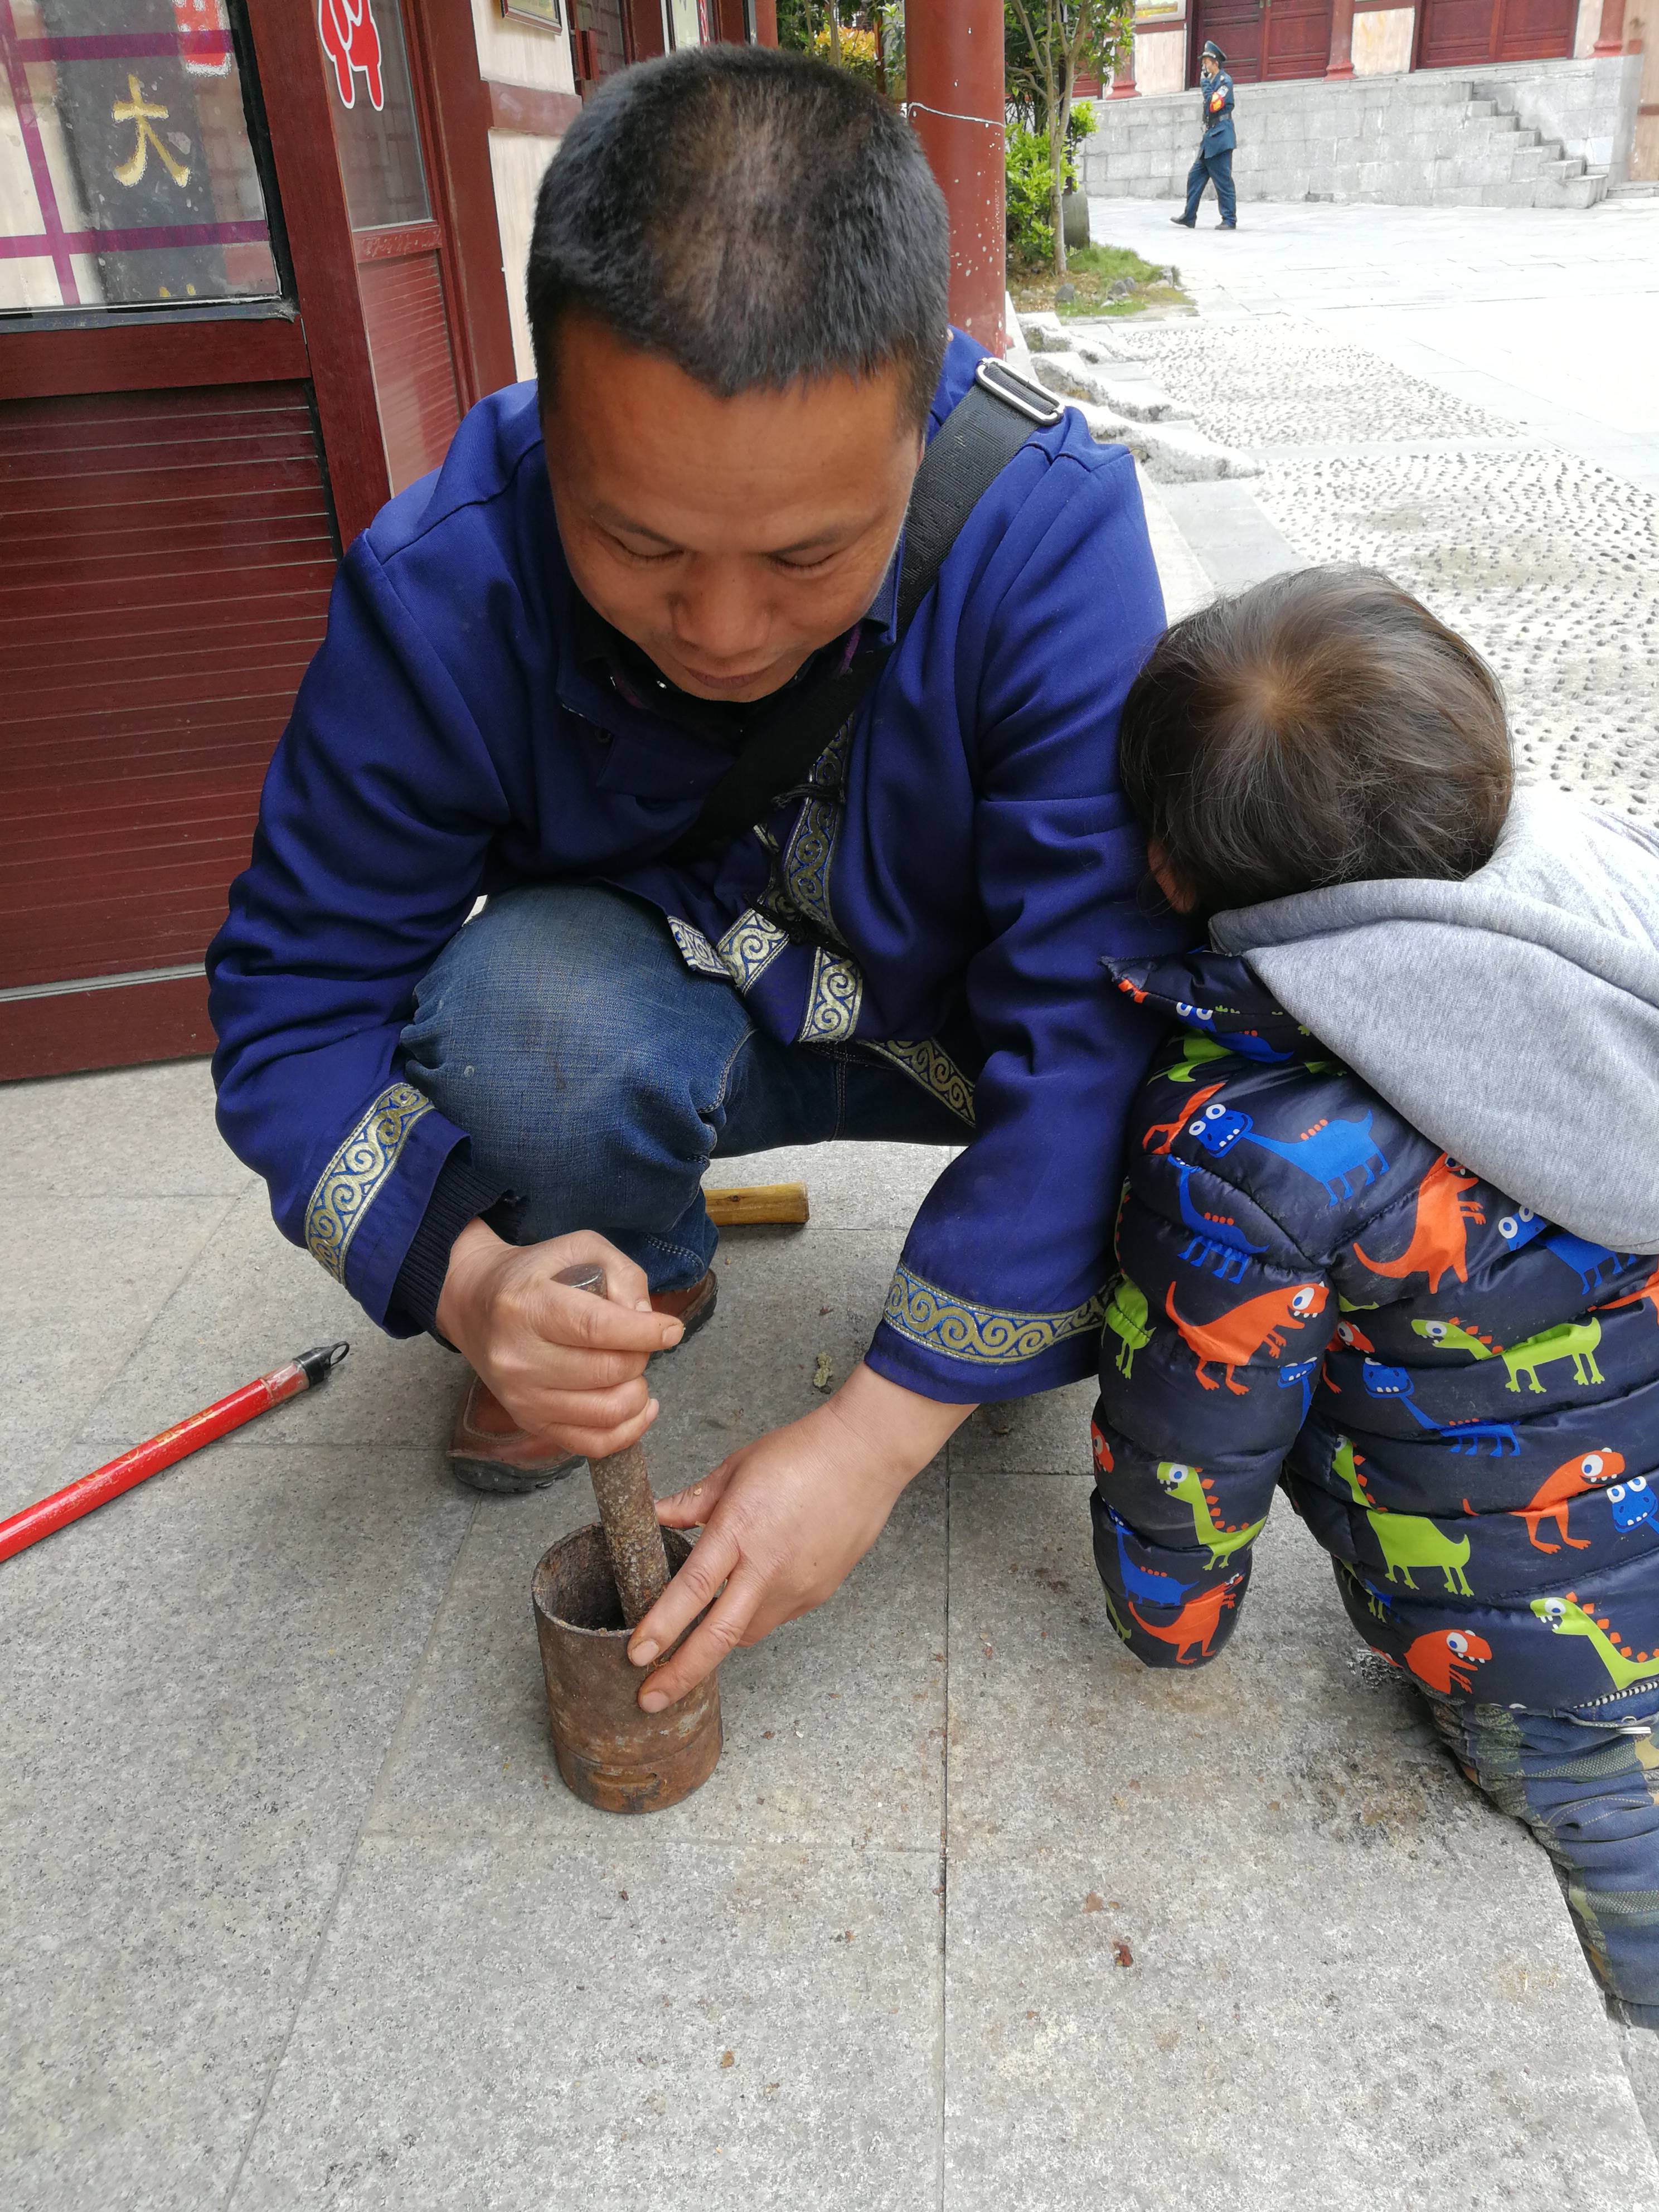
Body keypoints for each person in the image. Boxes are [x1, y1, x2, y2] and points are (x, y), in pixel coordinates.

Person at [207, 46, 1186, 1719]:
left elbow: (1097, 1027)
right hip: (670, 1006)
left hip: (968, 1027)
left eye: (809, 554)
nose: (723, 631)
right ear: (548, 421)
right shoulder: (444, 583)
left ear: (919, 405)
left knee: (1170, 1114)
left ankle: (996, 1300)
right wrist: (467, 1277)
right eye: (637, 545)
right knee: (524, 1028)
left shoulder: (1043, 527)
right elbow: (291, 1004)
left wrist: (873, 1436)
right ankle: (631, 1268)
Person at [1091, 566, 1659, 2024]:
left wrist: (1172, 1617)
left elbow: (1191, 1435)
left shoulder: (1255, 1145)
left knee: (1624, 1833)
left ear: (1167, 870)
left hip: (1548, 1653)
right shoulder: (1620, 914)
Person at [1172, 40, 1236, 232]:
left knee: (1223, 180)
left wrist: (1205, 85)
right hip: (1210, 139)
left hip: (1221, 138)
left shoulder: (1225, 82)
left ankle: (1229, 219)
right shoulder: (1213, 82)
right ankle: (1189, 216)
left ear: (1215, 62)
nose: (1204, 66)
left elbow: (1213, 105)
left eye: (1206, 62)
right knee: (1195, 176)